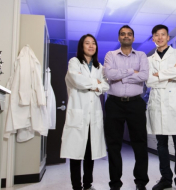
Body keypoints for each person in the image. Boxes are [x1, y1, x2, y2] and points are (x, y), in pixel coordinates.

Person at [146, 24, 176, 190]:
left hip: (175, 105)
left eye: (163, 34)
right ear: (153, 38)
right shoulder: (148, 60)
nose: (160, 37)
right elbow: (148, 81)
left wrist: (159, 75)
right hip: (157, 105)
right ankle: (166, 178)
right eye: (156, 35)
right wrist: (167, 75)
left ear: (167, 37)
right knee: (161, 144)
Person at [60, 34, 109, 190]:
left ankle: (88, 185)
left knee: (90, 152)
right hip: (78, 113)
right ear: (82, 47)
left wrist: (93, 85)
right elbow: (76, 80)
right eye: (87, 43)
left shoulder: (99, 67)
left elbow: (106, 86)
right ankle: (77, 186)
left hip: (93, 115)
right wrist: (96, 84)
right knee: (76, 153)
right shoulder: (74, 62)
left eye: (93, 43)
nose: (91, 46)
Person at [104, 25, 149, 190]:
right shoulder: (110, 55)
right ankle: (115, 183)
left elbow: (144, 76)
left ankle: (141, 182)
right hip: (114, 103)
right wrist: (132, 72)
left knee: (140, 143)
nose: (126, 36)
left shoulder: (142, 55)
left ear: (133, 38)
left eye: (129, 34)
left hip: (136, 103)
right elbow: (109, 74)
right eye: (123, 34)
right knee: (114, 144)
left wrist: (121, 76)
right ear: (119, 38)